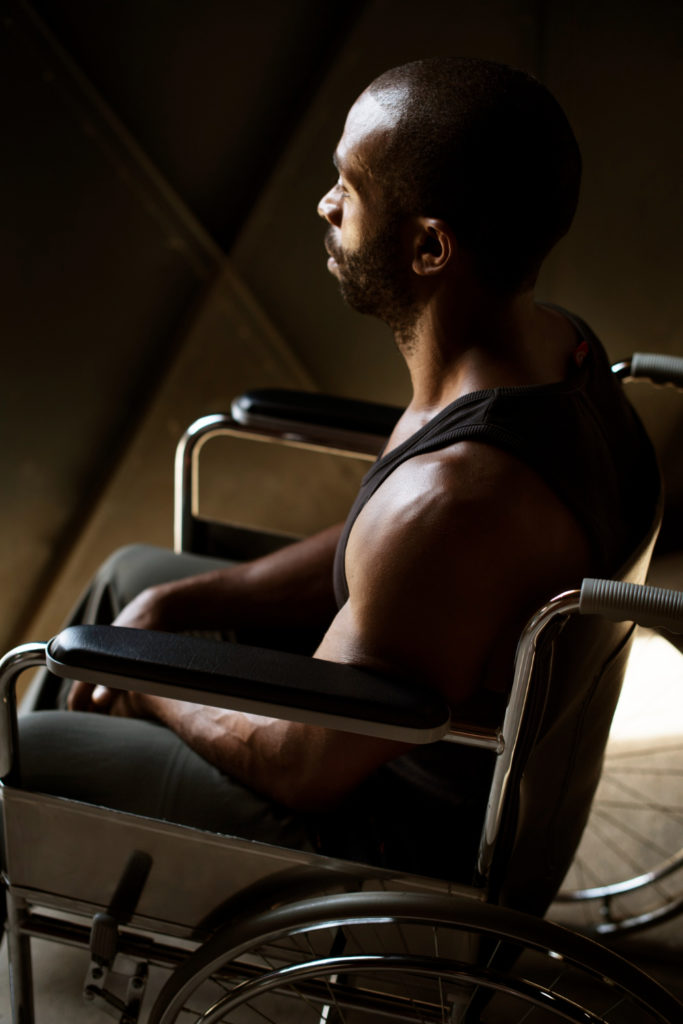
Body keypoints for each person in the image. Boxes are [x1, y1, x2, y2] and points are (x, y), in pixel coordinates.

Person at [19, 57, 659, 879]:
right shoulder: (555, 350)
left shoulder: (456, 499)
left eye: (349, 189)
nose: (325, 205)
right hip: (401, 724)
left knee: (28, 741)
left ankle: (44, 844)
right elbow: (381, 552)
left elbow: (299, 766)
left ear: (429, 246)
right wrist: (172, 607)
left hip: (384, 839)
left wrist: (148, 688)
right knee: (126, 582)